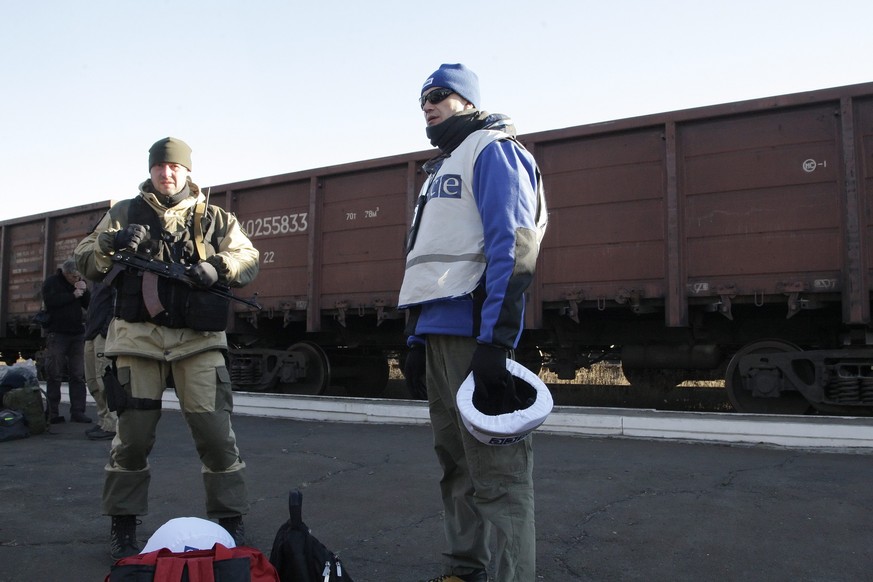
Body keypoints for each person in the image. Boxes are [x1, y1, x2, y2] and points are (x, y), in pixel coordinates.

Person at [74, 137, 260, 560]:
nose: (167, 173)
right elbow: (84, 259)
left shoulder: (215, 218)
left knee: (216, 436)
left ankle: (230, 520)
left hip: (198, 343)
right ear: (152, 170)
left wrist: (216, 267)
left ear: (187, 170)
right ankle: (123, 524)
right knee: (132, 440)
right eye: (160, 166)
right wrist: (111, 242)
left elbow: (248, 258)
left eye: (175, 166)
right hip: (137, 341)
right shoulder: (123, 212)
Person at [398, 64, 548, 582]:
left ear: (467, 101)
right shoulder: (438, 170)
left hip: (474, 338)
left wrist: (495, 343)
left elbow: (514, 246)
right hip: (438, 336)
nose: (428, 106)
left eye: (440, 96)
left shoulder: (493, 150)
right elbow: (429, 264)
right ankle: (465, 568)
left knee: (498, 477)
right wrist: (415, 339)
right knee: (455, 466)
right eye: (422, 100)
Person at [41, 258, 92, 424]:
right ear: (66, 273)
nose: (76, 280)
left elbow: (88, 304)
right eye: (74, 277)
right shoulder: (52, 283)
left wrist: (84, 291)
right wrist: (73, 295)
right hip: (57, 333)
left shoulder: (78, 282)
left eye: (78, 277)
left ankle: (78, 411)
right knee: (54, 374)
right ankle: (52, 413)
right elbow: (51, 302)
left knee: (77, 375)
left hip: (77, 333)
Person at [82, 281, 118, 440]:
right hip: (91, 335)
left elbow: (114, 306)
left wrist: (104, 332)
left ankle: (111, 424)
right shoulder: (97, 282)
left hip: (100, 336)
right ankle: (103, 420)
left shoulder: (112, 279)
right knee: (92, 382)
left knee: (103, 380)